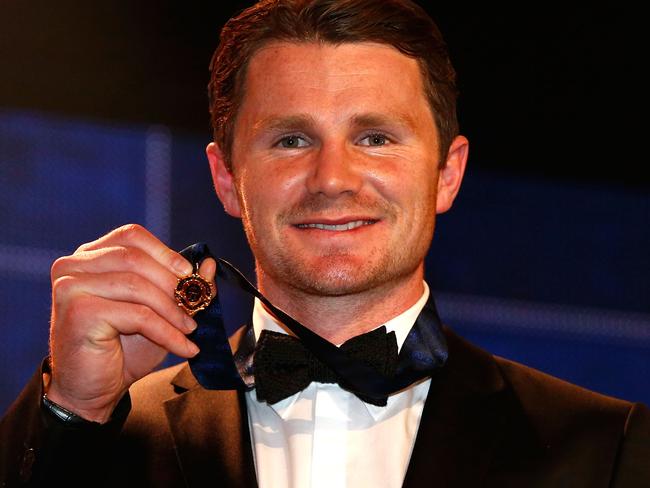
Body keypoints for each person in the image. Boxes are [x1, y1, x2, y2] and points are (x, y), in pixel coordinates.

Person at [1, 0, 648, 486]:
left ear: (447, 173)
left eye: (375, 137)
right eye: (291, 139)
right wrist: (72, 411)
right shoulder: (107, 433)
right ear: (226, 179)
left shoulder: (608, 446)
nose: (332, 179)